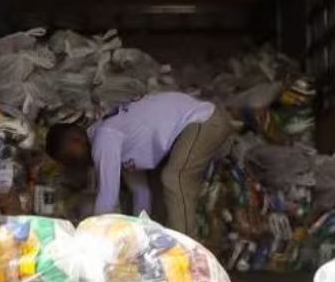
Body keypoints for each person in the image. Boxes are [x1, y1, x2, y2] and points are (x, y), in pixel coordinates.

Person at [46, 93, 233, 237]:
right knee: (160, 195)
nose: (72, 164)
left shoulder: (105, 137)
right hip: (193, 128)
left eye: (68, 157)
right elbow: (141, 192)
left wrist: (93, 240)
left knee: (174, 178)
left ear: (76, 139)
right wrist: (139, 238)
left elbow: (107, 199)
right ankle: (168, 253)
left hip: (204, 120)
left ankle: (187, 259)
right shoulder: (116, 142)